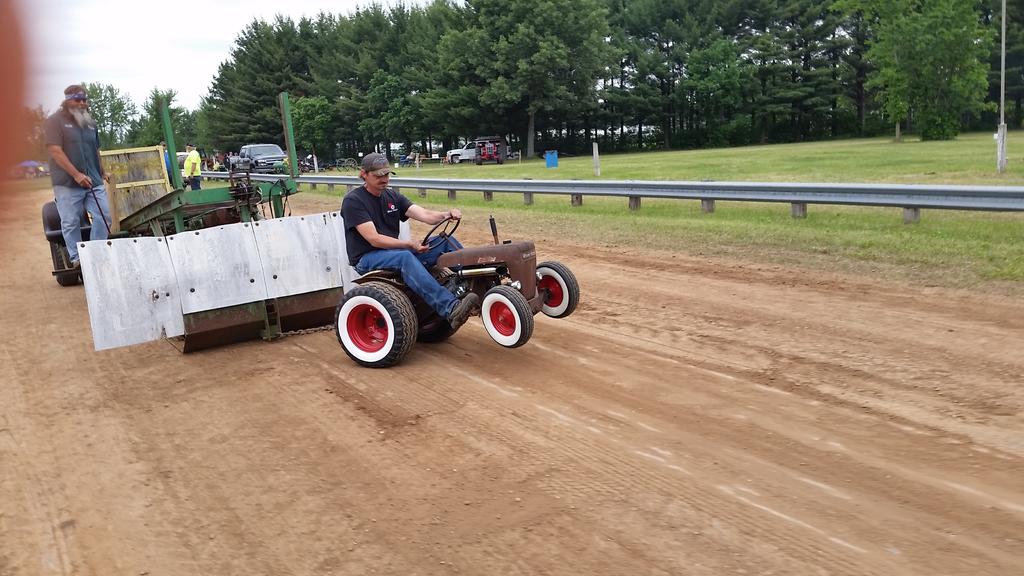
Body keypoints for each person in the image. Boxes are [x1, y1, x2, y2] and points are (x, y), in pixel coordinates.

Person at [341, 152, 478, 329]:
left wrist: (447, 214)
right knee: (404, 257)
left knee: (444, 240)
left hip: (392, 252)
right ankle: (451, 309)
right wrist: (409, 245)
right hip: (366, 257)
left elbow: (425, 215)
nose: (384, 179)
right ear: (364, 174)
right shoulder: (353, 201)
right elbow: (374, 239)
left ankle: (477, 285)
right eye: (378, 176)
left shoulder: (392, 196)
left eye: (386, 174)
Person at [45, 84, 112, 268]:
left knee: (104, 216)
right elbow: (55, 150)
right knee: (70, 221)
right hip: (66, 183)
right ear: (67, 101)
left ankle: (95, 254)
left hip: (93, 181)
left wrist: (102, 171)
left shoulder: (90, 123)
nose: (82, 103)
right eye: (77, 99)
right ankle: (76, 258)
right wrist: (76, 174)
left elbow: (95, 149)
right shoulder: (55, 121)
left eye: (84, 99)